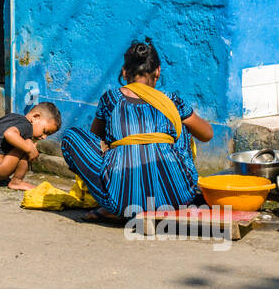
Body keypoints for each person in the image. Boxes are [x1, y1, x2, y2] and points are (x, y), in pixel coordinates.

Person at [60, 37, 213, 218]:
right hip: (177, 198)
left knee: (71, 136)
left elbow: (94, 139)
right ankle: (173, 186)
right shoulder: (172, 101)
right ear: (157, 72)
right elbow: (207, 134)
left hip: (121, 202)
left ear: (124, 73)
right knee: (181, 126)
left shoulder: (111, 99)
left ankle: (112, 206)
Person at [0, 103, 62, 190]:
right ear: (36, 117)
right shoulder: (27, 126)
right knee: (28, 143)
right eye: (45, 131)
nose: (44, 137)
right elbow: (9, 134)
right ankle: (17, 181)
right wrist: (30, 149)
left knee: (20, 143)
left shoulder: (9, 117)